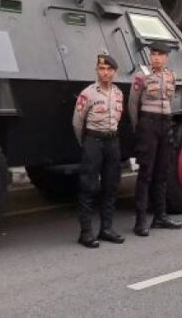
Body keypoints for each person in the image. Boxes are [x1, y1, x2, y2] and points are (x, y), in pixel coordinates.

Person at [71, 53, 126, 249]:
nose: (105, 73)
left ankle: (106, 228)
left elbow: (119, 118)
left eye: (109, 69)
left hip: (112, 142)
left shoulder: (119, 93)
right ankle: (86, 233)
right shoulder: (88, 94)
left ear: (114, 72)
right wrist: (86, 144)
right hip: (93, 141)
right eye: (102, 69)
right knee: (88, 186)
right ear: (97, 71)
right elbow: (77, 123)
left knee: (111, 186)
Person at [129, 40, 182, 237]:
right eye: (153, 54)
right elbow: (132, 104)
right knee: (146, 174)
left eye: (160, 54)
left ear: (166, 57)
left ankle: (160, 215)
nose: (156, 58)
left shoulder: (171, 76)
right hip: (148, 124)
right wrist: (139, 127)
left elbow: (169, 100)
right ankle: (140, 220)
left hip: (165, 124)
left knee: (162, 172)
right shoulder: (142, 76)